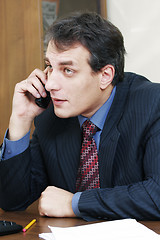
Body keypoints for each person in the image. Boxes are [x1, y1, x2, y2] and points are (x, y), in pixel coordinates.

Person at [0, 12, 160, 222]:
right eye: (50, 66)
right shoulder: (51, 114)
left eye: (67, 70)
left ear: (105, 75)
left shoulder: (151, 104)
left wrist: (75, 203)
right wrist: (20, 120)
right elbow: (12, 201)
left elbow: (156, 195)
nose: (50, 84)